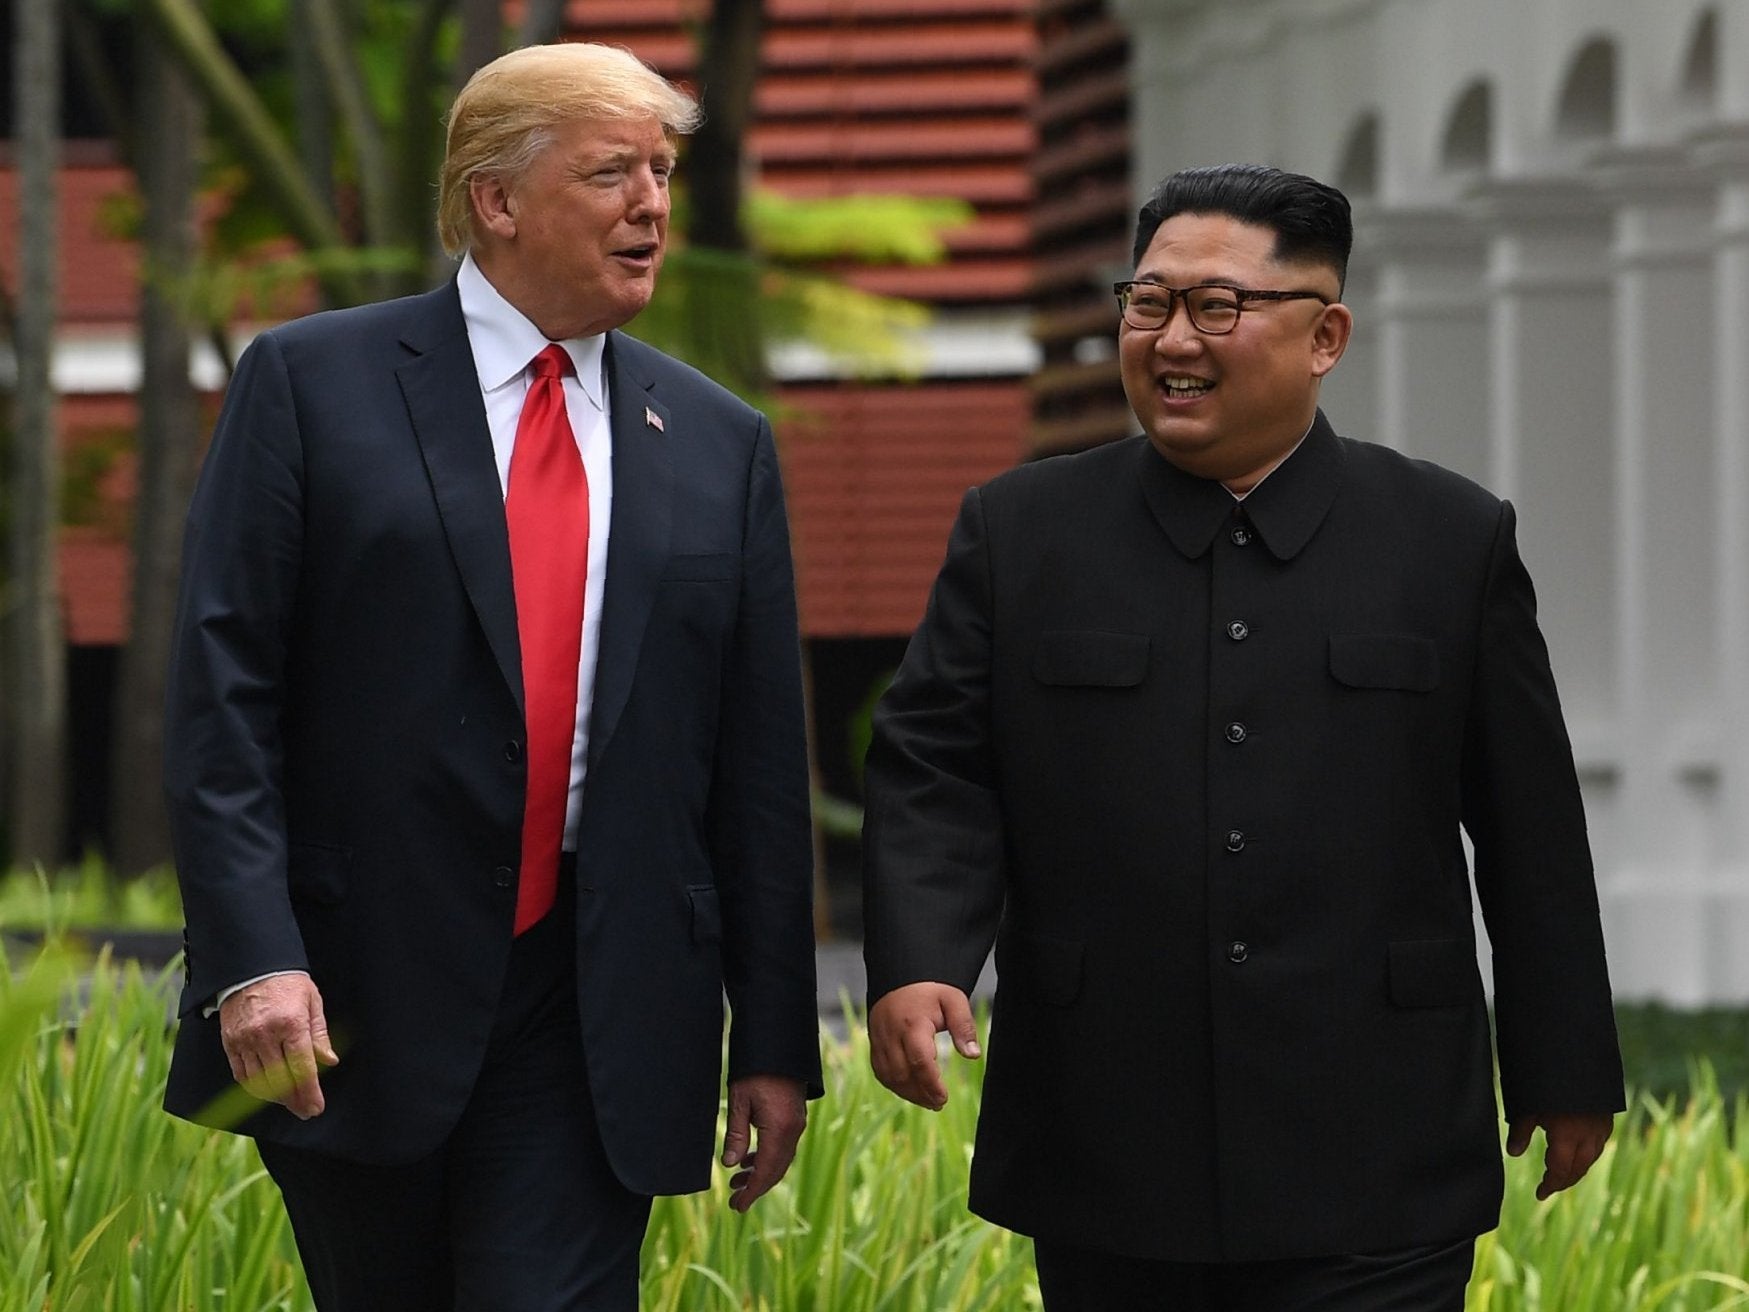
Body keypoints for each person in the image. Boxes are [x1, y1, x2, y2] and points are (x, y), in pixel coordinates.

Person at [860, 163, 1623, 1310]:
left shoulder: (1448, 539)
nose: (1174, 338)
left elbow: (1530, 827)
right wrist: (921, 957)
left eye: (1219, 307)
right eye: (1148, 301)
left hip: (1379, 1133)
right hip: (1106, 1131)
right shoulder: (1022, 532)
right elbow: (936, 767)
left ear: (1327, 336)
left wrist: (1565, 1064)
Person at [162, 42, 821, 1312]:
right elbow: (223, 696)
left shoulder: (720, 445)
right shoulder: (310, 385)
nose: (653, 205)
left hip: (597, 1003)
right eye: (612, 171)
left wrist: (777, 1035)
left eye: (663, 172)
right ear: (497, 200)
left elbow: (753, 765)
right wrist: (253, 956)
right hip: (352, 995)